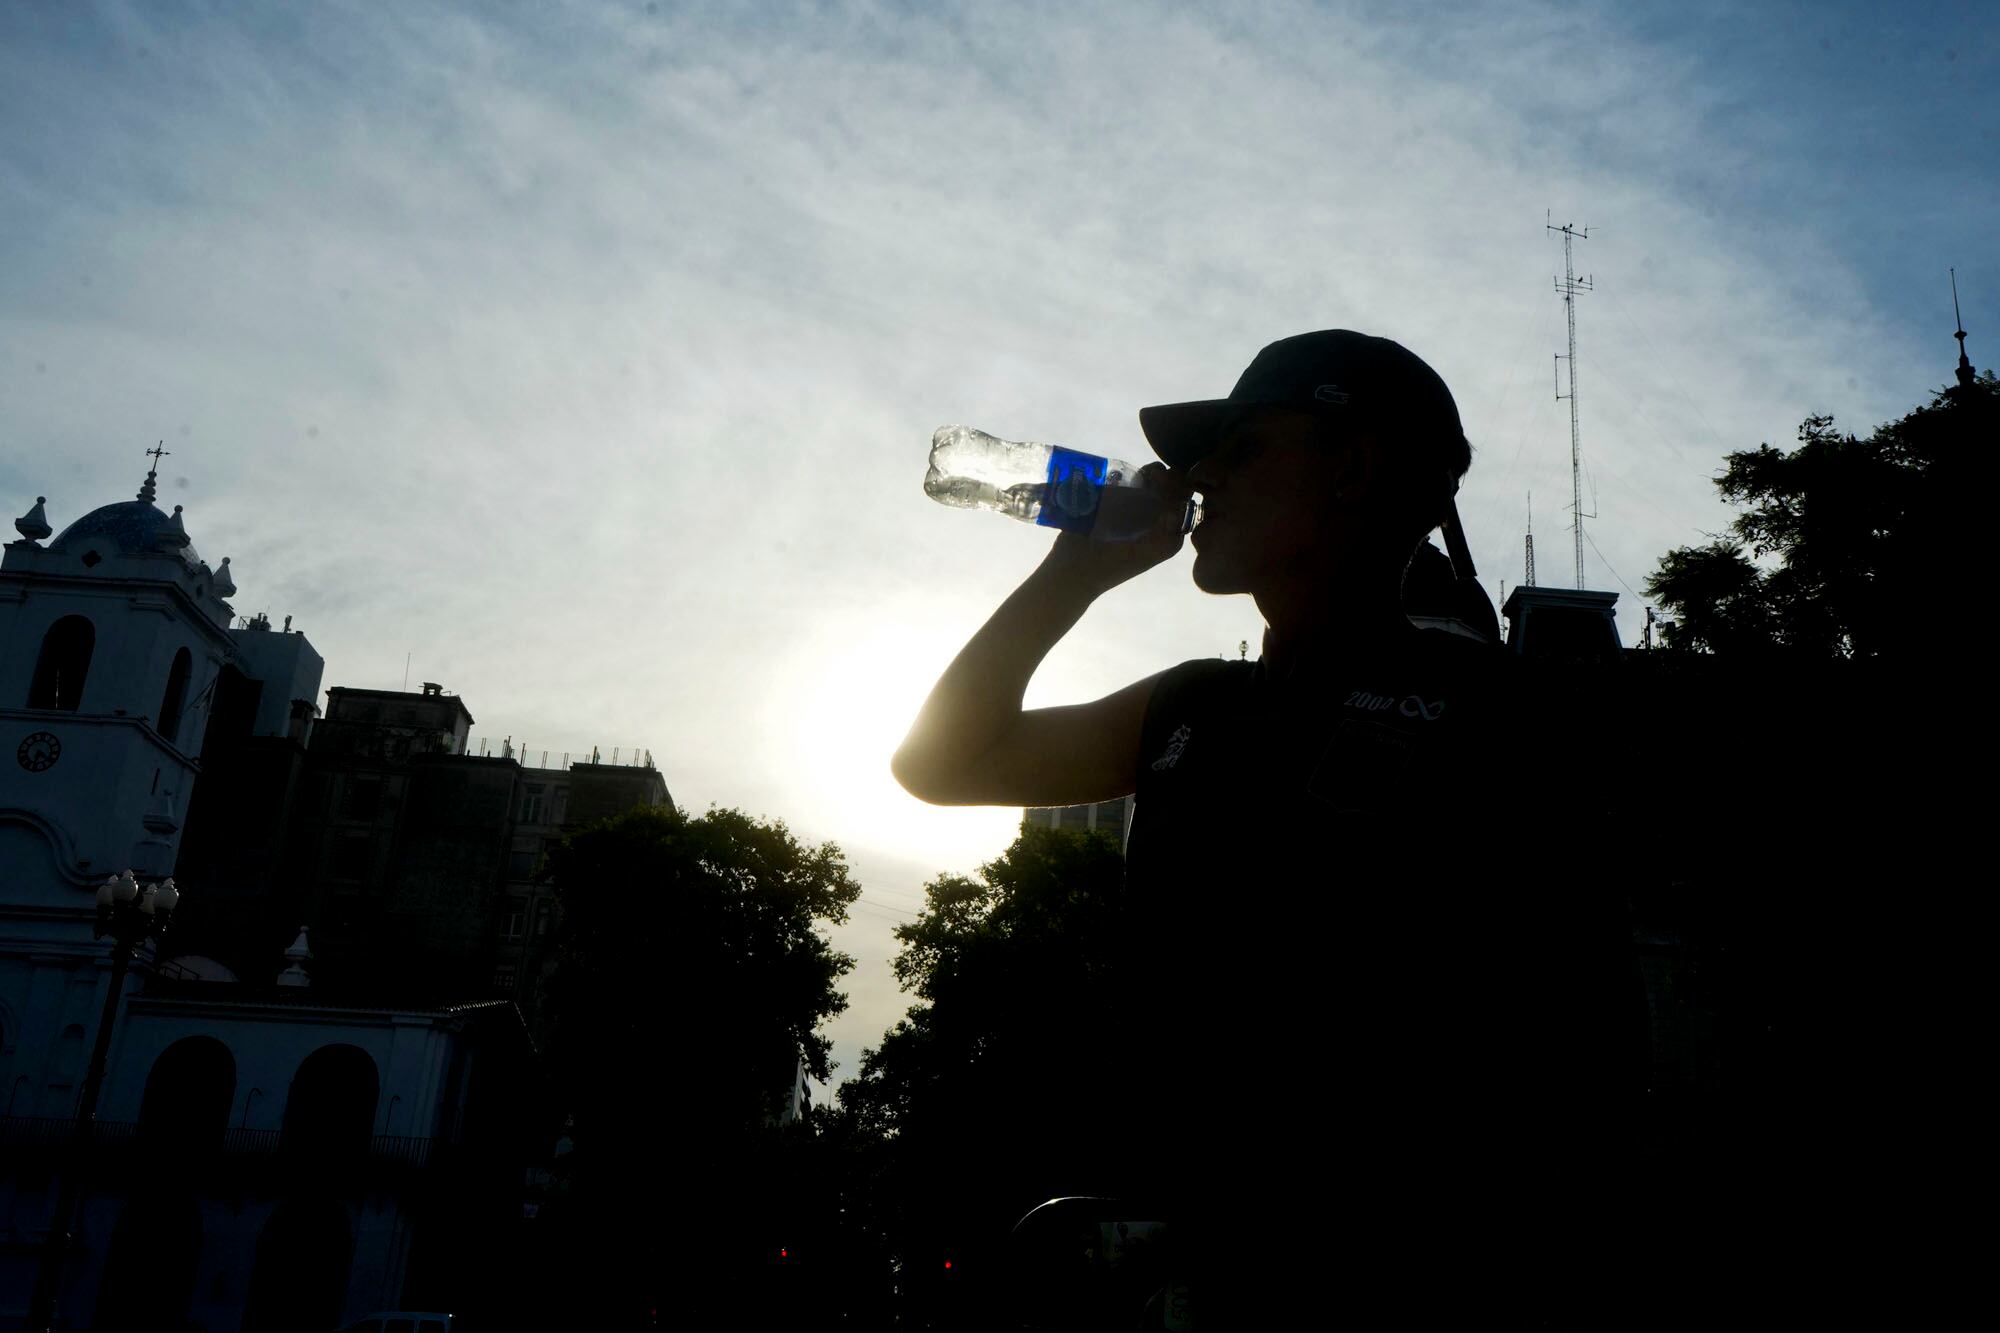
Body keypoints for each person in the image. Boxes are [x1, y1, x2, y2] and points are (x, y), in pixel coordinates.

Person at [895, 330, 1644, 1322]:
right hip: (1202, 1281)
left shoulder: (1488, 716)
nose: (1198, 476)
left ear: (1353, 467)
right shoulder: (1194, 705)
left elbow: (1585, 1064)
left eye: (1241, 448)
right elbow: (942, 762)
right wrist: (1068, 577)